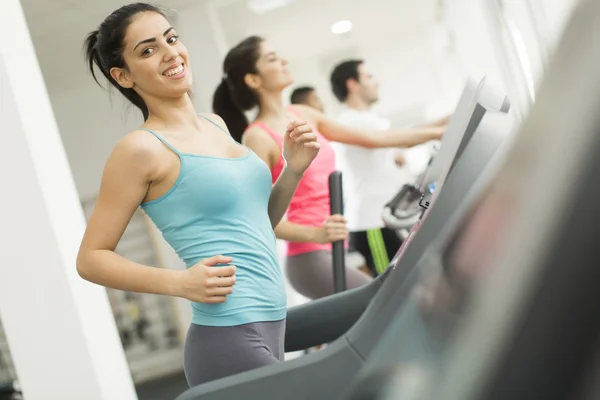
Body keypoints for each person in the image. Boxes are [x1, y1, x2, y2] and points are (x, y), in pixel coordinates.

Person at [77, 3, 320, 387]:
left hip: (274, 324)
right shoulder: (140, 149)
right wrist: (180, 282)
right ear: (123, 76)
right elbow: (90, 259)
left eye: (171, 39)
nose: (170, 52)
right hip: (227, 339)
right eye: (148, 49)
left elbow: (260, 223)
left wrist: (293, 169)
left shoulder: (215, 124)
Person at [212, 36, 446, 299]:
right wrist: (316, 233)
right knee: (390, 303)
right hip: (308, 258)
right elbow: (258, 219)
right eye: (272, 59)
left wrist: (439, 130)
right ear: (253, 80)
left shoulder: (303, 113)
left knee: (390, 305)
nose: (284, 61)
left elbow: (373, 139)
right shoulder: (257, 137)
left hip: (334, 248)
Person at [330, 59, 448, 276]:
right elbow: (403, 139)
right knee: (394, 285)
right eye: (368, 76)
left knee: (410, 279)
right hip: (371, 221)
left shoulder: (366, 119)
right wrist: (440, 129)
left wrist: (446, 121)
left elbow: (403, 136)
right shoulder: (352, 121)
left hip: (383, 218)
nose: (376, 82)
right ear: (352, 84)